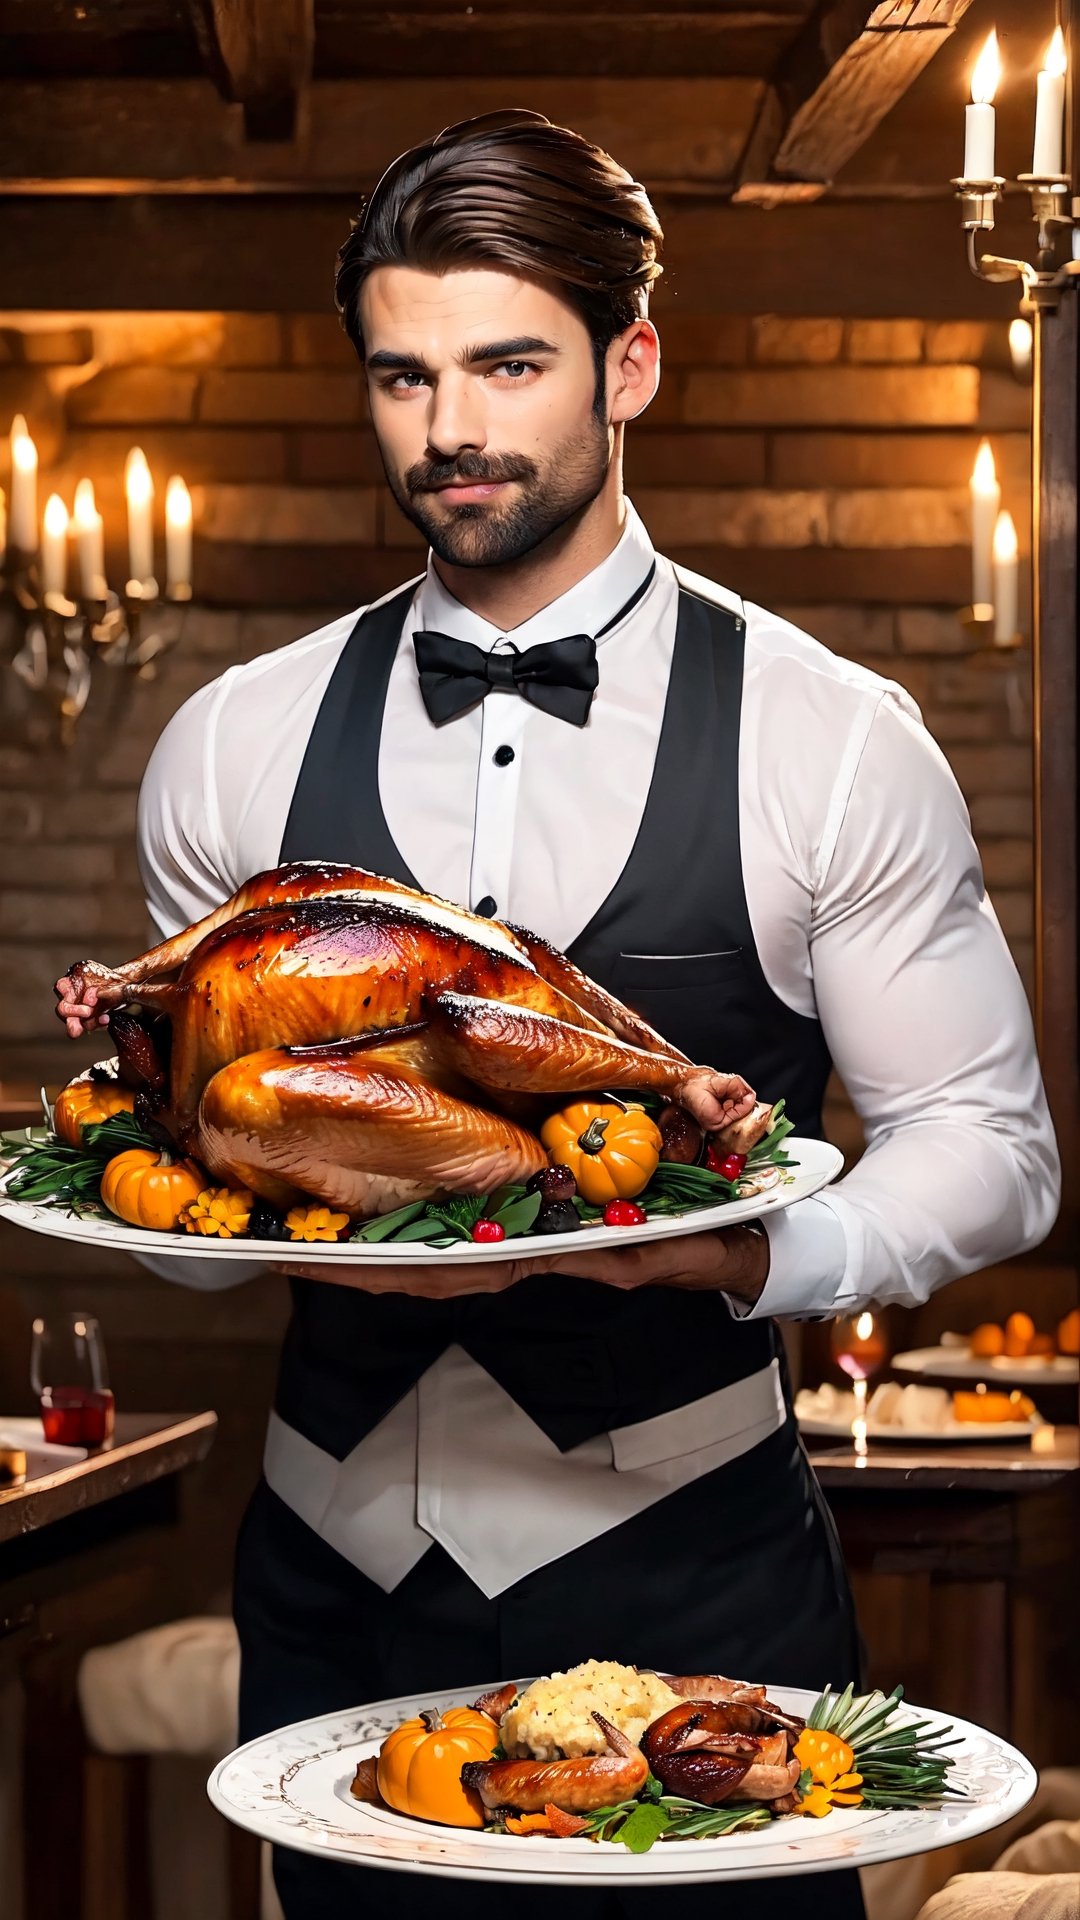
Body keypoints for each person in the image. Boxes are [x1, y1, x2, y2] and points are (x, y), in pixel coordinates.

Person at [57, 109, 1059, 1919]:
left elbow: (993, 1155)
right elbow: (199, 1238)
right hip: (335, 1584)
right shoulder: (231, 745)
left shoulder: (828, 742)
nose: (451, 430)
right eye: (404, 374)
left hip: (704, 1584)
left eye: (509, 364)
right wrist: (182, 1170)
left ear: (630, 364)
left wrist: (745, 1264)